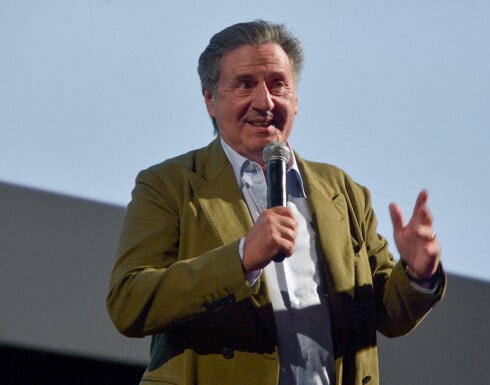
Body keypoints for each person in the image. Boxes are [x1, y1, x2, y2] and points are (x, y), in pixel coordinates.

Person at [107, 20, 445, 385]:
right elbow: (130, 302)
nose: (264, 101)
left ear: (296, 99)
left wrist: (417, 274)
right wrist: (241, 258)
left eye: (278, 84)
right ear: (210, 99)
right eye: (244, 85)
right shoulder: (170, 185)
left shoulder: (342, 191)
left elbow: (387, 313)